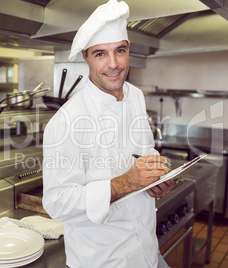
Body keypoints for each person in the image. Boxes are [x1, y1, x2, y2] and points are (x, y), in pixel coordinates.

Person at [42, 0, 174, 267]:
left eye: (120, 51)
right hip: (103, 260)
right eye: (100, 54)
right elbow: (57, 203)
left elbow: (144, 152)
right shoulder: (67, 121)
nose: (113, 64)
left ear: (128, 51)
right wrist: (125, 183)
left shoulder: (135, 96)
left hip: (147, 251)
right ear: (86, 57)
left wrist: (157, 176)